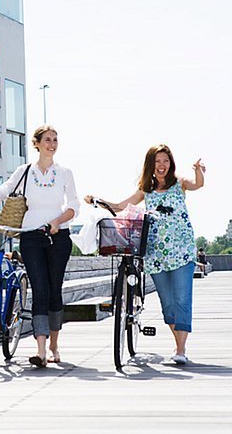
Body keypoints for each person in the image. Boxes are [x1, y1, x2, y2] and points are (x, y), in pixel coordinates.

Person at [0, 125, 80, 368]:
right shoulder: (24, 171)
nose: (52, 144)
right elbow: (1, 193)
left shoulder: (65, 173)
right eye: (47, 140)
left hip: (58, 238)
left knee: (54, 290)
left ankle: (54, 344)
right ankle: (41, 350)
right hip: (31, 237)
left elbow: (75, 205)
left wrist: (57, 221)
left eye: (55, 140)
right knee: (40, 289)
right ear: (36, 143)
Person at [85, 144, 205, 365]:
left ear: (171, 164)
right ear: (151, 165)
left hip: (182, 251)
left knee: (181, 299)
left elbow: (198, 184)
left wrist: (198, 169)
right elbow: (121, 206)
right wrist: (99, 201)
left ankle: (180, 349)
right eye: (157, 161)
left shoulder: (180, 183)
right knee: (167, 302)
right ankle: (179, 343)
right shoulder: (146, 189)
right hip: (155, 254)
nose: (161, 166)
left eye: (165, 161)